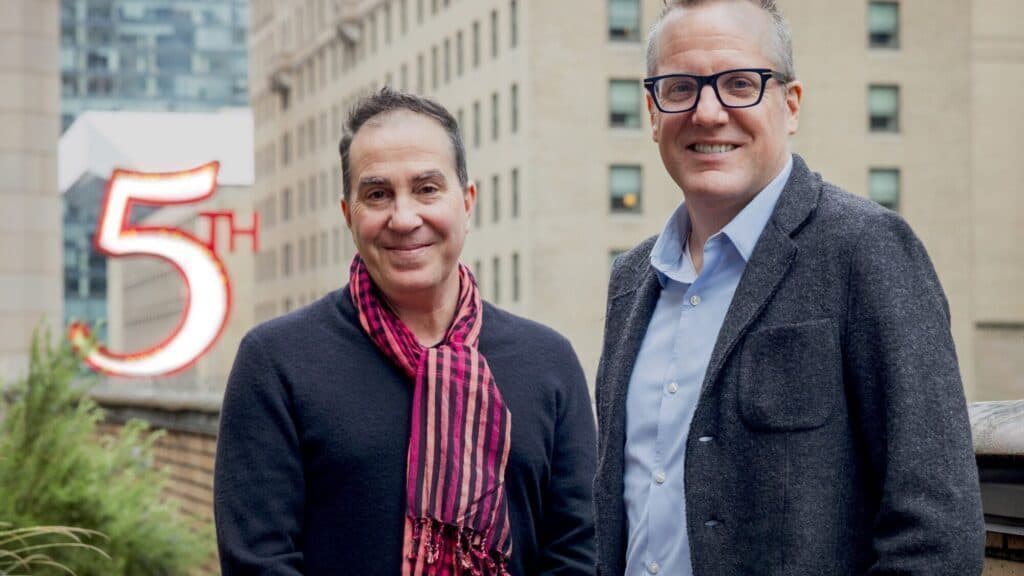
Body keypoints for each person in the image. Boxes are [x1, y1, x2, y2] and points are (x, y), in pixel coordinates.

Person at [592, 1, 985, 575]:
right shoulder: (631, 281)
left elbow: (938, 531)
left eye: (739, 84)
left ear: (790, 103)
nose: (707, 112)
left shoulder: (866, 251)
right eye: (680, 88)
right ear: (652, 112)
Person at [215, 88, 597, 575]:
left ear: (468, 201)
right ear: (348, 215)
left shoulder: (548, 361)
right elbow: (258, 562)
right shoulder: (276, 362)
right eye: (378, 194)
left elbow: (579, 553)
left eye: (427, 189)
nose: (404, 217)